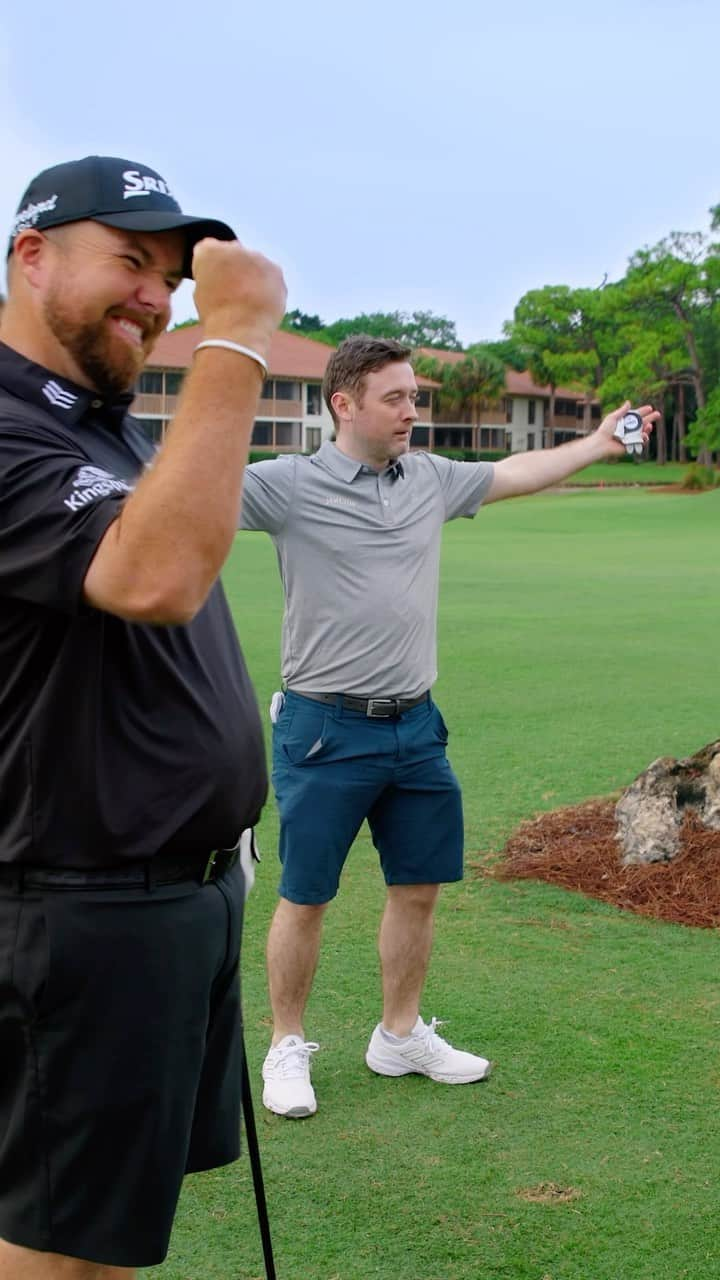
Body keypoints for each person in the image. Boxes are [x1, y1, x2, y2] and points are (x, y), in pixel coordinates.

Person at [239, 335, 658, 1119]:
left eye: (415, 397)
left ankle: (397, 1036)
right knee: (306, 895)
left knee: (419, 889)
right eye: (395, 398)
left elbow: (516, 472)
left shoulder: (427, 477)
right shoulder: (285, 486)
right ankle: (285, 1045)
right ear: (344, 403)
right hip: (324, 729)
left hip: (416, 728)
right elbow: (185, 500)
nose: (412, 412)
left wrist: (600, 443)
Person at [0, 155, 286, 1278]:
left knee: (106, 1219)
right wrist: (241, 332)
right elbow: (156, 574)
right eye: (129, 261)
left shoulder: (103, 423)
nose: (156, 299)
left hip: (178, 892)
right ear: (31, 255)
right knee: (57, 1239)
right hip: (86, 901)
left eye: (168, 278)